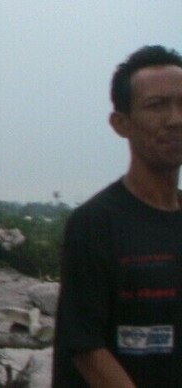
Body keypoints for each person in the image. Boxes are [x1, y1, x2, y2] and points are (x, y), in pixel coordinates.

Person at [53, 45, 182, 387]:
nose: (175, 119)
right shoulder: (95, 224)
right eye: (157, 106)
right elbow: (86, 348)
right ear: (121, 123)